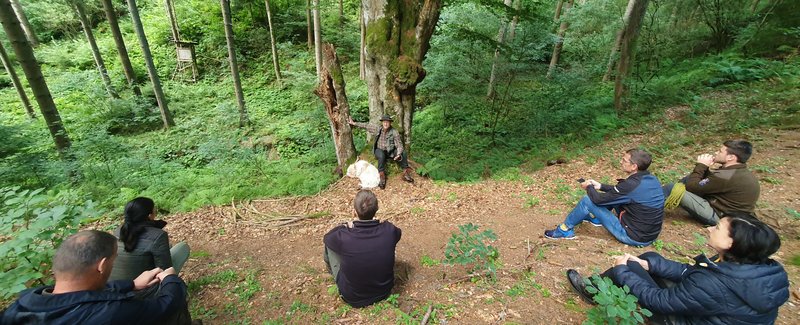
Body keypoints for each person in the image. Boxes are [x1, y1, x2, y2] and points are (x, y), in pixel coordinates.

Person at [566, 212, 789, 324]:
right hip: (711, 312)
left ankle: (591, 291)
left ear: (731, 243)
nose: (711, 228)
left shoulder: (713, 284)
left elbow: (658, 301)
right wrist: (648, 264)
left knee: (623, 270)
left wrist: (623, 270)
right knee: (648, 257)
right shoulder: (757, 266)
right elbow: (689, 272)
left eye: (718, 227)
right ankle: (640, 264)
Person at [1, 230, 194, 324]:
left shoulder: (19, 307)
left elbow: (80, 297)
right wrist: (170, 279)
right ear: (101, 266)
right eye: (113, 260)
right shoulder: (110, 313)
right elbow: (165, 305)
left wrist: (131, 284)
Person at [544, 149, 665, 247]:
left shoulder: (630, 185)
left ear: (634, 166)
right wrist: (600, 186)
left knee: (587, 200)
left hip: (633, 237)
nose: (620, 162)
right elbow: (623, 192)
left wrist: (589, 187)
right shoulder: (649, 179)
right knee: (616, 198)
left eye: (624, 160)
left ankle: (564, 230)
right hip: (649, 235)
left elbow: (598, 200)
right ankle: (596, 218)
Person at [323, 190, 402, 307]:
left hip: (353, 297)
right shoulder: (389, 230)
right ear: (377, 209)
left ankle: (335, 273)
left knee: (330, 246)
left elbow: (327, 238)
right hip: (384, 292)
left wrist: (345, 226)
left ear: (355, 211)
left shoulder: (343, 236)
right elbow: (398, 234)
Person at [663, 140, 760, 226]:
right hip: (732, 214)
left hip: (722, 218)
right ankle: (665, 201)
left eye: (720, 151)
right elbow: (711, 181)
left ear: (731, 157)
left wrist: (701, 165)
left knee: (672, 188)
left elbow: (691, 187)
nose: (716, 152)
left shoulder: (726, 175)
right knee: (690, 178)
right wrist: (705, 170)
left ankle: (649, 205)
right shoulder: (738, 171)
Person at [110, 197, 190, 292]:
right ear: (149, 215)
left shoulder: (119, 230)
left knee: (167, 247)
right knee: (182, 248)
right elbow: (164, 268)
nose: (155, 211)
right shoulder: (158, 235)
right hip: (145, 292)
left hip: (118, 289)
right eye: (154, 209)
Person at [348, 114, 414, 189]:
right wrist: (354, 123)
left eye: (387, 122)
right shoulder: (378, 129)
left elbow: (399, 145)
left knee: (403, 153)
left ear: (390, 123)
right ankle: (382, 177)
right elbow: (366, 126)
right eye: (384, 122)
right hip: (379, 150)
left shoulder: (394, 132)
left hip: (390, 152)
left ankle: (406, 173)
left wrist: (398, 154)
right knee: (381, 155)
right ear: (382, 123)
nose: (385, 123)